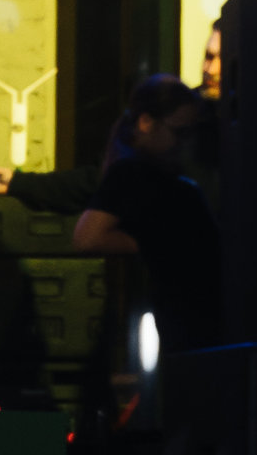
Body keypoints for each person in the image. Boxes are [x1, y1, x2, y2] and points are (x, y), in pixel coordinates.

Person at [72, 74, 222, 352]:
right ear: (146, 122)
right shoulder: (132, 172)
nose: (185, 142)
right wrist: (155, 243)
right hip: (177, 323)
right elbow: (87, 237)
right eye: (179, 132)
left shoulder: (152, 172)